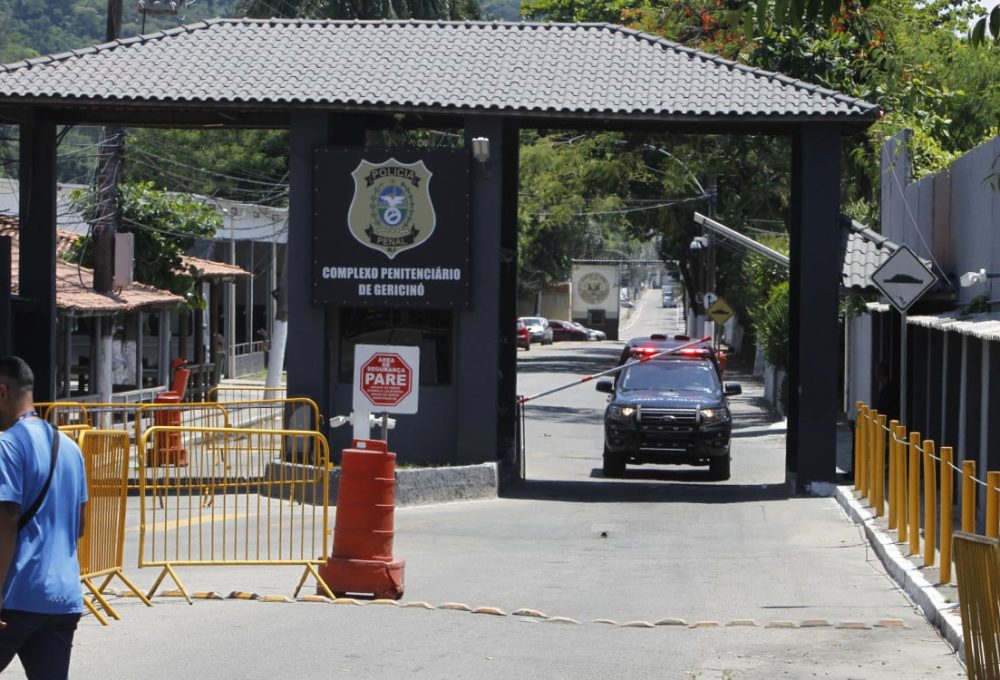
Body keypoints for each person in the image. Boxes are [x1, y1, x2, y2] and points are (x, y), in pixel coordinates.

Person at [0, 357, 88, 680]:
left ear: (3, 392)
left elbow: (6, 522)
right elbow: (79, 526)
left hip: (16, 595)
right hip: (62, 599)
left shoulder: (7, 446)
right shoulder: (70, 447)